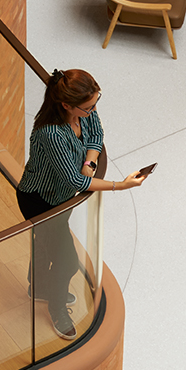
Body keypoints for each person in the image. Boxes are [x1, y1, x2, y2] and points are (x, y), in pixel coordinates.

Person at [17, 68, 147, 340]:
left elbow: (96, 135)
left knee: (44, 244)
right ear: (66, 104)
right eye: (89, 107)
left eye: (95, 103)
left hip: (60, 198)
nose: (94, 110)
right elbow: (77, 181)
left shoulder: (85, 110)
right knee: (67, 262)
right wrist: (120, 185)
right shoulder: (52, 134)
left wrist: (89, 162)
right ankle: (56, 307)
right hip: (41, 202)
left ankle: (38, 287)